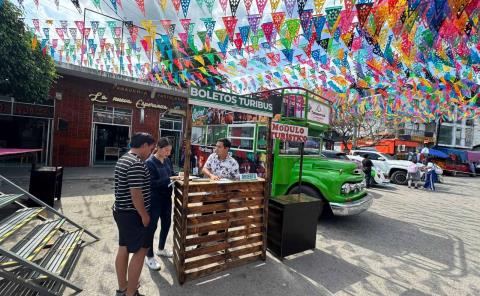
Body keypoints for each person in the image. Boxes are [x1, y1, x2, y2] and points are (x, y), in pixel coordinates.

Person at [113, 132, 155, 296]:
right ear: (144, 145)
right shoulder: (136, 163)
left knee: (123, 247)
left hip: (122, 211)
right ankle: (131, 293)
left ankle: (123, 288)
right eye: (150, 149)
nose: (150, 153)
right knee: (141, 250)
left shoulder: (123, 159)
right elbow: (136, 193)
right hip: (133, 214)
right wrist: (144, 215)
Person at [144, 138, 178, 270]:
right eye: (166, 150)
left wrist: (177, 176)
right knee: (151, 228)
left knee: (166, 224)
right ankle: (149, 256)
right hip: (154, 199)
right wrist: (169, 179)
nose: (168, 153)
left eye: (170, 150)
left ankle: (161, 249)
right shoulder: (150, 162)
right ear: (158, 147)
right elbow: (151, 183)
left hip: (166, 199)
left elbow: (172, 174)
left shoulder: (167, 160)